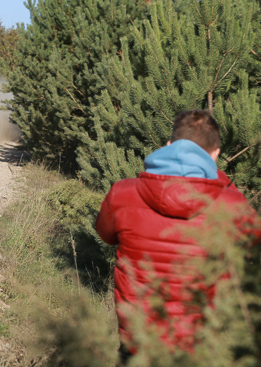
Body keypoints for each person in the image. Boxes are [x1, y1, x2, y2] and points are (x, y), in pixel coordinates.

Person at [95, 110, 260, 363]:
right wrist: (222, 183)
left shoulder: (122, 193)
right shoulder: (231, 204)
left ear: (169, 146)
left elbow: (105, 235)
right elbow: (252, 243)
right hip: (204, 344)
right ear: (215, 154)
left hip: (139, 340)